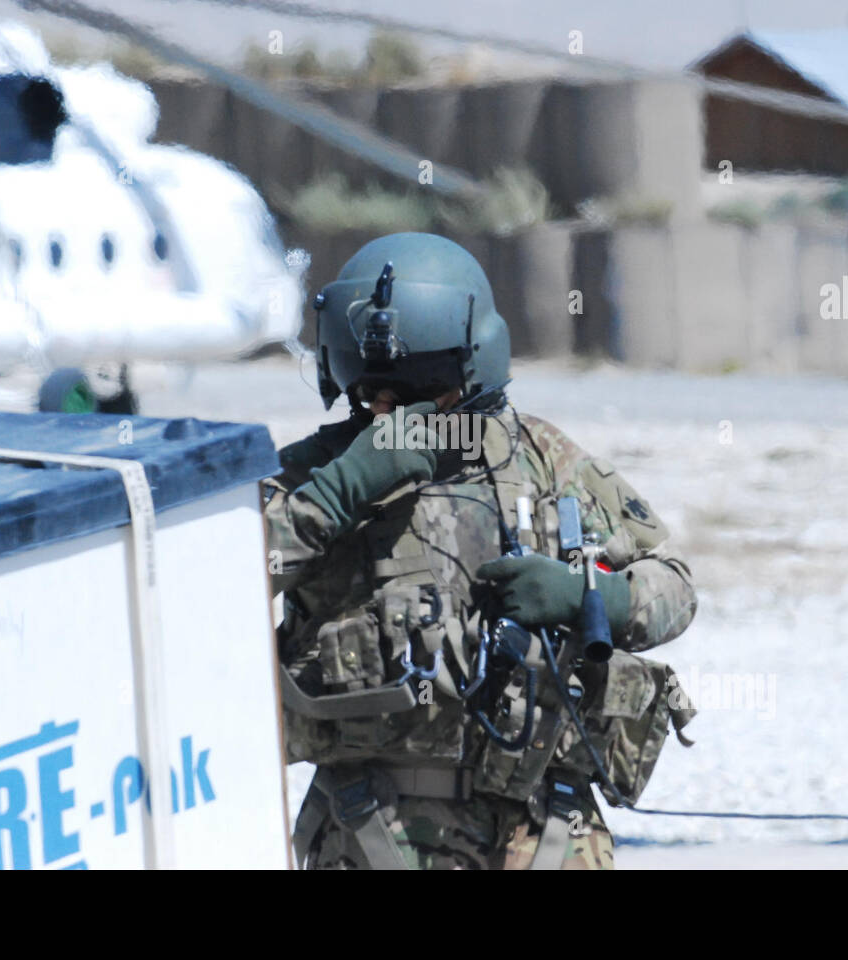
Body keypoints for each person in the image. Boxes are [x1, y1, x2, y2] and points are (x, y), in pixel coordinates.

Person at [264, 232, 697, 870]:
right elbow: (213, 590)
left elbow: (676, 588)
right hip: (375, 826)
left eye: (415, 390)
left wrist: (594, 597)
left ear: (469, 370)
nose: (389, 410)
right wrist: (333, 495)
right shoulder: (319, 470)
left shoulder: (546, 460)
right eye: (372, 391)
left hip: (544, 824)